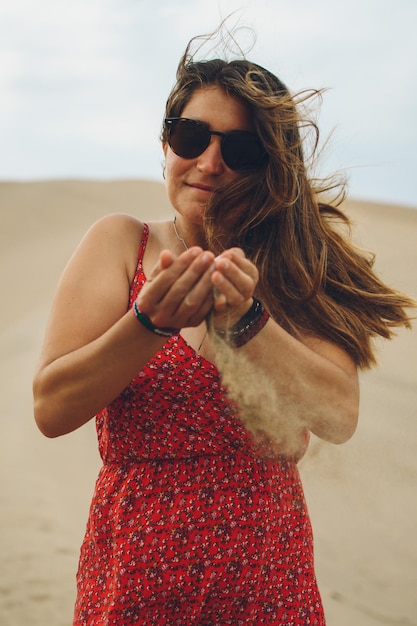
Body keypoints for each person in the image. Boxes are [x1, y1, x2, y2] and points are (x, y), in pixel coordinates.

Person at [33, 28, 414, 626]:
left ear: (269, 165)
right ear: (165, 141)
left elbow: (338, 416)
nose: (210, 163)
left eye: (240, 150)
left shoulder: (294, 266)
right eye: (191, 137)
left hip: (267, 580)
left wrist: (246, 321)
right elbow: (52, 409)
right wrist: (148, 323)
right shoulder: (119, 244)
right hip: (135, 574)